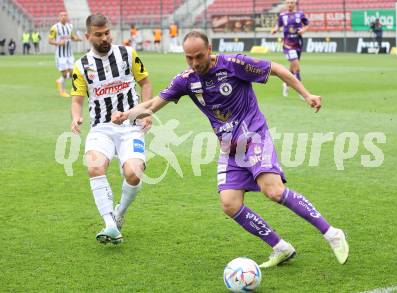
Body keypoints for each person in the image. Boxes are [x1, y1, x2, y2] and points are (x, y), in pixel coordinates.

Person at [112, 31, 349, 267]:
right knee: (230, 203)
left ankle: (332, 233)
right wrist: (127, 115)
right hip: (230, 149)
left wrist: (306, 95)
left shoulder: (234, 64)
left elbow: (275, 68)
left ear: (210, 49)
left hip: (255, 136)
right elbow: (153, 104)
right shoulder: (186, 80)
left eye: (199, 56)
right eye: (189, 58)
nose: (195, 63)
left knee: (274, 191)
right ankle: (281, 247)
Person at [70, 13, 152, 244]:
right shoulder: (81, 65)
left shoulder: (127, 54)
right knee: (94, 166)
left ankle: (119, 213)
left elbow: (144, 82)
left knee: (134, 173)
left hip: (130, 125)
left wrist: (145, 110)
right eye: (98, 35)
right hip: (101, 128)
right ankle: (109, 224)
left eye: (107, 32)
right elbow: (77, 99)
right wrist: (76, 117)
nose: (104, 38)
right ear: (88, 36)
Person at [272, 0, 309, 97]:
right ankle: (301, 92)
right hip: (288, 45)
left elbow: (307, 24)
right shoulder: (282, 15)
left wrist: (303, 30)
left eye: (292, 2)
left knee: (293, 67)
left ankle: (286, 83)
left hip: (298, 43)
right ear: (285, 4)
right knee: (296, 66)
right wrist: (276, 29)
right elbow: (278, 25)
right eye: (288, 2)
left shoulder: (300, 14)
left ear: (295, 4)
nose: (290, 4)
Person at [48, 11, 82, 97]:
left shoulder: (70, 26)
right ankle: (62, 91)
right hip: (60, 55)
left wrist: (77, 38)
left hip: (69, 54)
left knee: (72, 73)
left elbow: (73, 37)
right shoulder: (54, 28)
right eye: (62, 15)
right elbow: (50, 41)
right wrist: (59, 43)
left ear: (67, 17)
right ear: (59, 17)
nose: (63, 17)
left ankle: (59, 81)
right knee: (64, 73)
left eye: (65, 15)